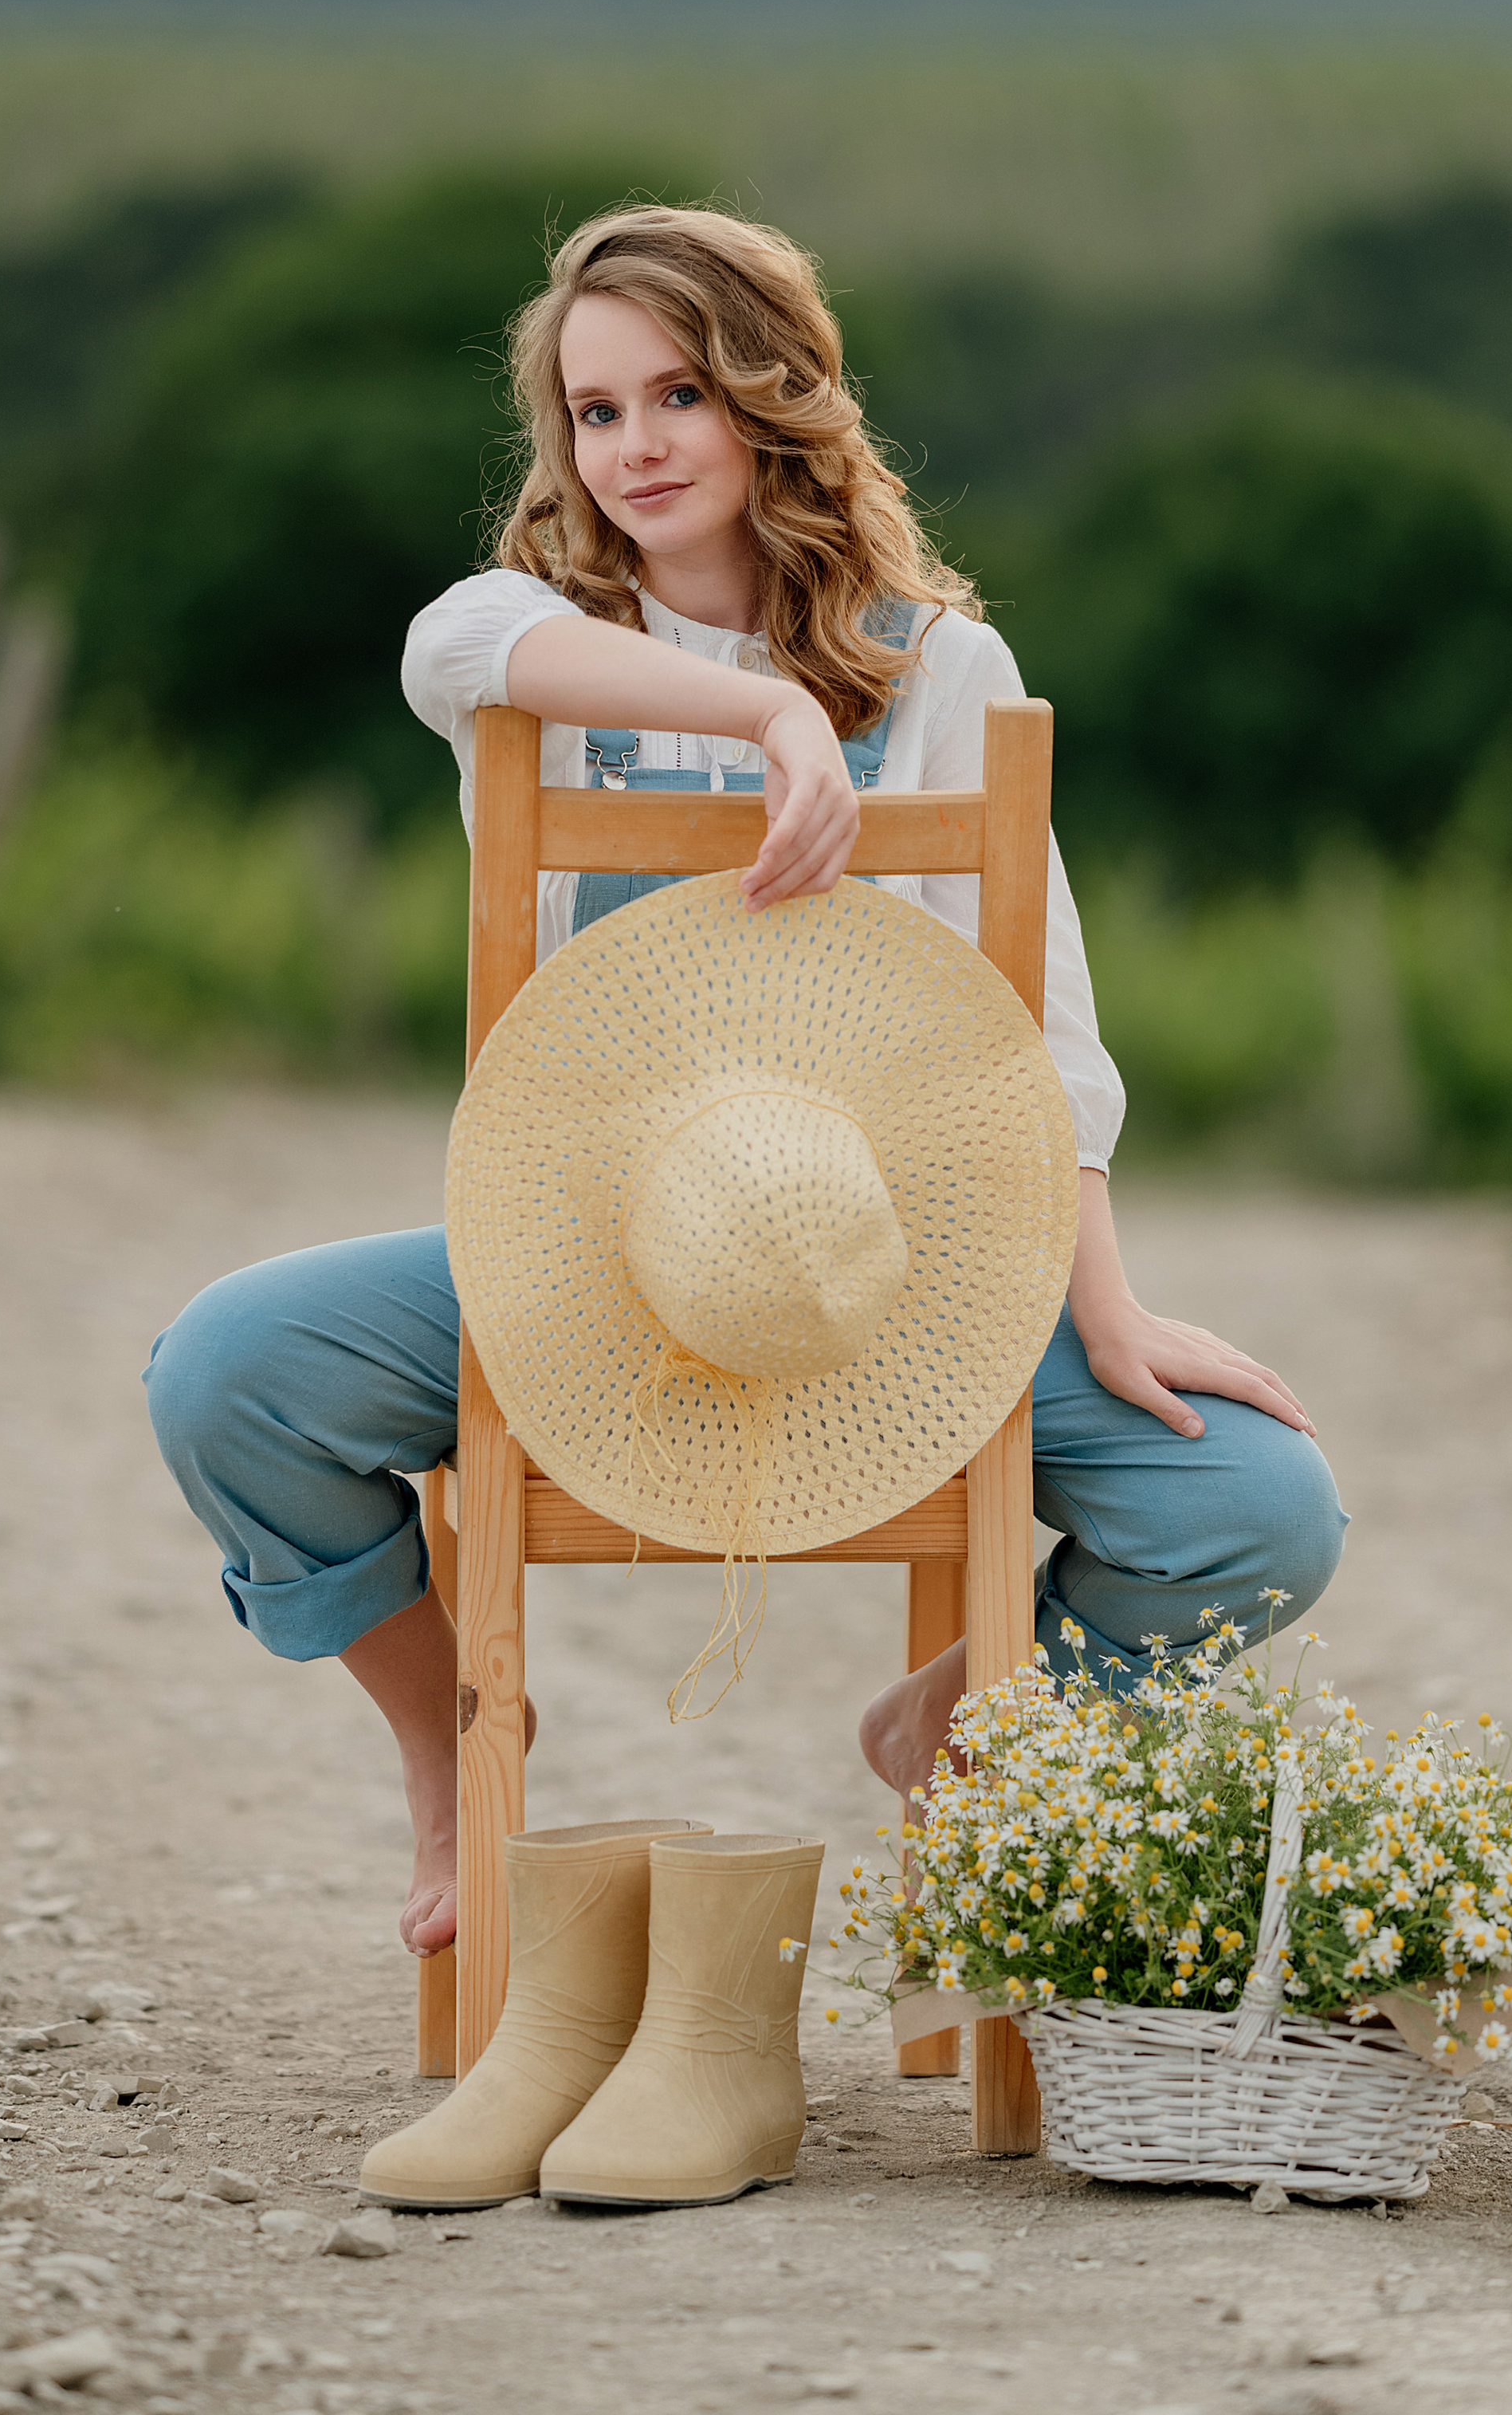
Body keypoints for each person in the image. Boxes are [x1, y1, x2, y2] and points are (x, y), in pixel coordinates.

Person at [144, 202, 1346, 1969]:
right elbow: (449, 642)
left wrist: (1107, 1308)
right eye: (594, 412)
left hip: (876, 1276)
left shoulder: (940, 667)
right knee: (225, 1376)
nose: (631, 447)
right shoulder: (527, 640)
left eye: (677, 397)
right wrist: (777, 722)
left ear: (773, 397)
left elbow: (1036, 1028)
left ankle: (965, 1733)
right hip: (589, 1272)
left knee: (1258, 1508)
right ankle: (452, 1739)